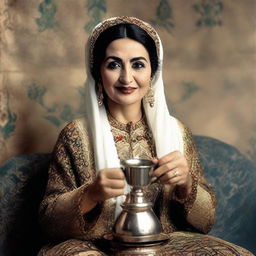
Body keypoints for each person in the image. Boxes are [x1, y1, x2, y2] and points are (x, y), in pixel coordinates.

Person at [38, 16, 253, 255]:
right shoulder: (76, 136)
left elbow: (206, 222)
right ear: (98, 72)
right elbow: (48, 221)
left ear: (153, 72)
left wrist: (186, 183)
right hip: (96, 245)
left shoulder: (176, 132)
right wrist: (91, 194)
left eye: (138, 64)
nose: (126, 78)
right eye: (114, 64)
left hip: (164, 244)